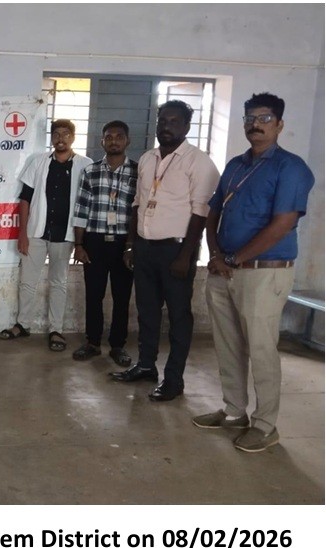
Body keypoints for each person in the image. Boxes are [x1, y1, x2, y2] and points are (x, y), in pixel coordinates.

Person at [193, 93, 314, 452]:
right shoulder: (236, 165)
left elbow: (282, 225)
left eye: (264, 118)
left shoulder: (291, 168)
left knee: (261, 348)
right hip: (224, 270)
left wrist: (233, 259)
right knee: (228, 343)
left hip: (264, 272)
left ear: (279, 124)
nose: (255, 124)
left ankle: (265, 424)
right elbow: (214, 213)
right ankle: (234, 411)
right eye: (250, 118)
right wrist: (217, 255)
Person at [111, 100, 219, 402]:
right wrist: (132, 244)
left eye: (174, 121)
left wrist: (186, 255)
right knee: (146, 312)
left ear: (186, 126)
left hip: (176, 251)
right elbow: (138, 204)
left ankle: (174, 379)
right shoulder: (148, 159)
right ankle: (146, 365)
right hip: (145, 248)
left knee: (178, 316)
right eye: (162, 121)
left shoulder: (199, 162)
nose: (166, 127)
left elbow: (201, 213)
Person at [0, 119, 92, 351]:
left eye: (66, 134)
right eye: (56, 134)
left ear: (73, 138)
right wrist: (22, 233)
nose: (60, 138)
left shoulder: (85, 165)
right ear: (52, 138)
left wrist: (82, 240)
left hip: (66, 234)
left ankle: (56, 330)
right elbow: (25, 199)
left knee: (59, 282)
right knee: (27, 281)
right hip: (37, 232)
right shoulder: (39, 162)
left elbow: (87, 203)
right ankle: (23, 324)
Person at [72, 121, 138, 367]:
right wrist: (79, 245)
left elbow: (140, 210)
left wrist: (133, 245)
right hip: (95, 241)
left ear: (127, 141)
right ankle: (92, 342)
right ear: (102, 142)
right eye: (109, 137)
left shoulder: (138, 172)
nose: (113, 141)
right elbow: (81, 210)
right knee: (94, 294)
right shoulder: (90, 171)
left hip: (124, 243)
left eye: (119, 137)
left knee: (122, 296)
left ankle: (118, 345)